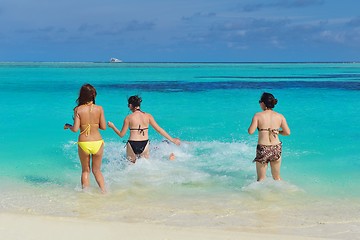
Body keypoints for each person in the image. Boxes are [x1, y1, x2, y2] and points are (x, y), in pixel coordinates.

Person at [107, 95, 181, 163]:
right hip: (144, 143)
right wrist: (173, 140)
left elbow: (121, 134)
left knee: (130, 168)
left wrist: (112, 126)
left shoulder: (128, 117)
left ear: (130, 105)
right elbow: (159, 130)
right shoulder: (148, 116)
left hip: (132, 143)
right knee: (145, 167)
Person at [64, 84, 107, 193]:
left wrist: (68, 126)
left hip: (84, 142)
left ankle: (86, 196)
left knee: (85, 171)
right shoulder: (100, 108)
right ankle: (104, 193)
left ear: (82, 95)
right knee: (97, 170)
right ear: (93, 95)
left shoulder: (78, 109)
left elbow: (75, 129)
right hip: (97, 142)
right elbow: (103, 127)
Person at [248, 92, 290, 181]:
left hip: (263, 148)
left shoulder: (258, 115)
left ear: (263, 103)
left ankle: (259, 195)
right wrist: (278, 132)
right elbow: (287, 132)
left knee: (261, 179)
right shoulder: (280, 116)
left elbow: (250, 132)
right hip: (276, 147)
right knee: (277, 177)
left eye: (260, 101)